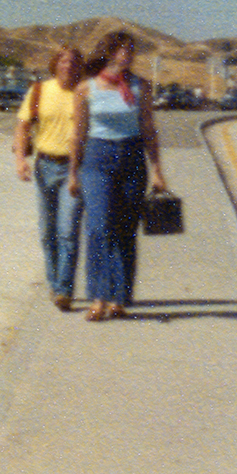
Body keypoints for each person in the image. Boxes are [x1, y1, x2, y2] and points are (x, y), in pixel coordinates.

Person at [69, 30, 168, 321]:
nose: (130, 55)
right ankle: (98, 297)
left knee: (126, 228)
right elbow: (78, 133)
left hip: (132, 156)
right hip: (96, 158)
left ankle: (119, 298)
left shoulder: (141, 86)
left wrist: (157, 170)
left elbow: (148, 128)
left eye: (132, 50)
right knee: (99, 226)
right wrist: (73, 172)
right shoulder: (86, 88)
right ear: (111, 52)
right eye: (125, 49)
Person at [13, 43, 85, 311]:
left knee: (67, 231)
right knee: (47, 232)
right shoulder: (39, 90)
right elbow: (22, 127)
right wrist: (21, 160)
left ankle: (64, 290)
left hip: (74, 169)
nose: (68, 66)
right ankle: (55, 285)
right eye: (63, 61)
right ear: (56, 64)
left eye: (73, 62)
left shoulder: (85, 93)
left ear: (80, 67)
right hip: (45, 166)